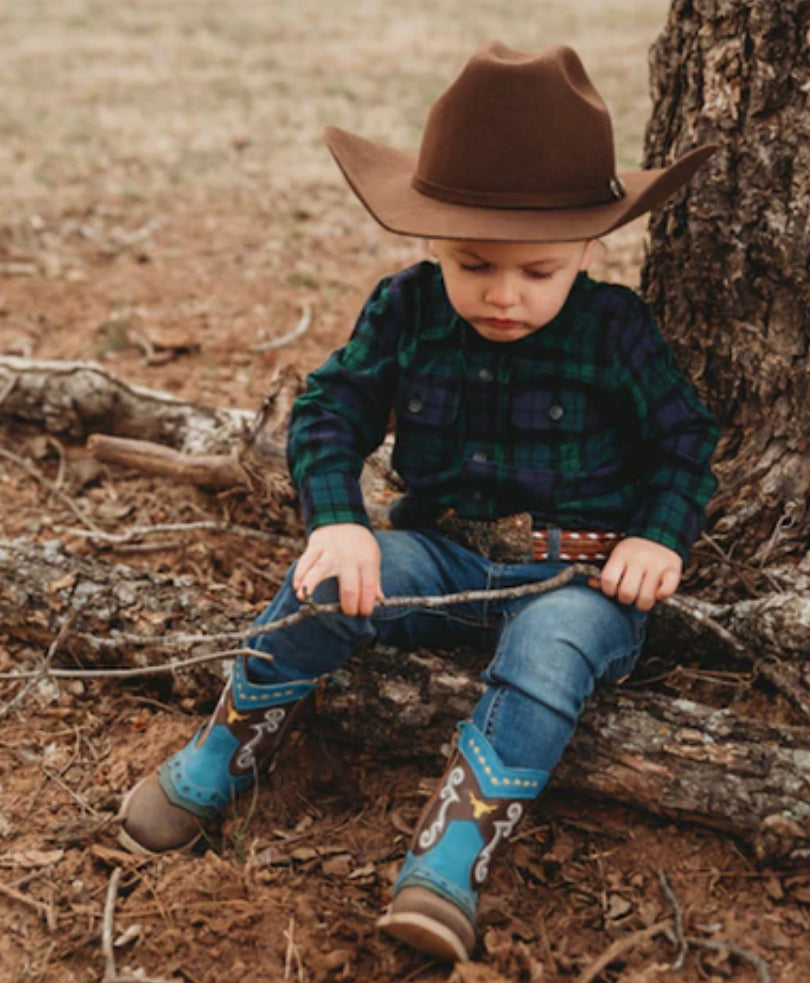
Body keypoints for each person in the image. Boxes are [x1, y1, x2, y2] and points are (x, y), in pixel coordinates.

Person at [119, 41, 719, 963]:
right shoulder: (405, 310)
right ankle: (222, 752)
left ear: (589, 251)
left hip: (579, 571)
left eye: (540, 272)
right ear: (427, 234)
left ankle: (453, 853)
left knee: (550, 647)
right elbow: (328, 411)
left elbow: (685, 440)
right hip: (440, 553)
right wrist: (339, 520)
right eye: (474, 264)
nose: (505, 295)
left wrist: (657, 535)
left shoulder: (616, 330)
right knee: (326, 581)